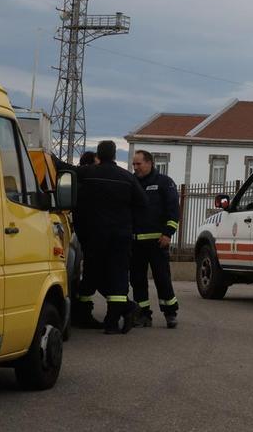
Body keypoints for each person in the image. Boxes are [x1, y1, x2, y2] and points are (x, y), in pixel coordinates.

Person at [71, 141, 148, 334]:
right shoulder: (127, 177)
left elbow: (66, 170)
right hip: (121, 237)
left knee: (91, 274)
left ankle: (83, 316)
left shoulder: (88, 173)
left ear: (99, 154)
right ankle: (112, 322)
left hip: (95, 236)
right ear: (114, 155)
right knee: (118, 276)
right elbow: (143, 203)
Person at [130, 150, 181, 328]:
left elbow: (174, 211)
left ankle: (170, 313)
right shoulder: (132, 182)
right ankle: (143, 314)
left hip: (158, 242)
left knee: (162, 278)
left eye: (139, 164)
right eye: (134, 164)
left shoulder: (164, 183)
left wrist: (168, 233)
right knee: (137, 280)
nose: (135, 168)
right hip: (135, 242)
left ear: (150, 163)